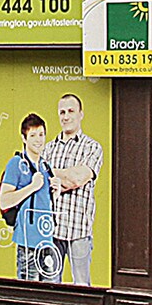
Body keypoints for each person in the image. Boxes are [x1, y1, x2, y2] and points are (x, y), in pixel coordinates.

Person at [43, 92, 104, 286]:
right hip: (51, 231)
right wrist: (65, 175)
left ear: (81, 114)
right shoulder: (48, 149)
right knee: (50, 285)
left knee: (82, 286)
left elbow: (77, 179)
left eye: (71, 111)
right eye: (62, 112)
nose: (66, 116)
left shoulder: (92, 147)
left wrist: (52, 173)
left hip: (79, 229)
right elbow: (42, 180)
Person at [0, 112, 58, 282]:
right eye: (33, 135)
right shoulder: (16, 164)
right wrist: (32, 187)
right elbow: (4, 200)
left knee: (50, 290)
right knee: (29, 291)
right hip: (27, 241)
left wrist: (56, 191)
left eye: (41, 134)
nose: (38, 140)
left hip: (47, 240)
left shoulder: (46, 166)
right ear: (24, 139)